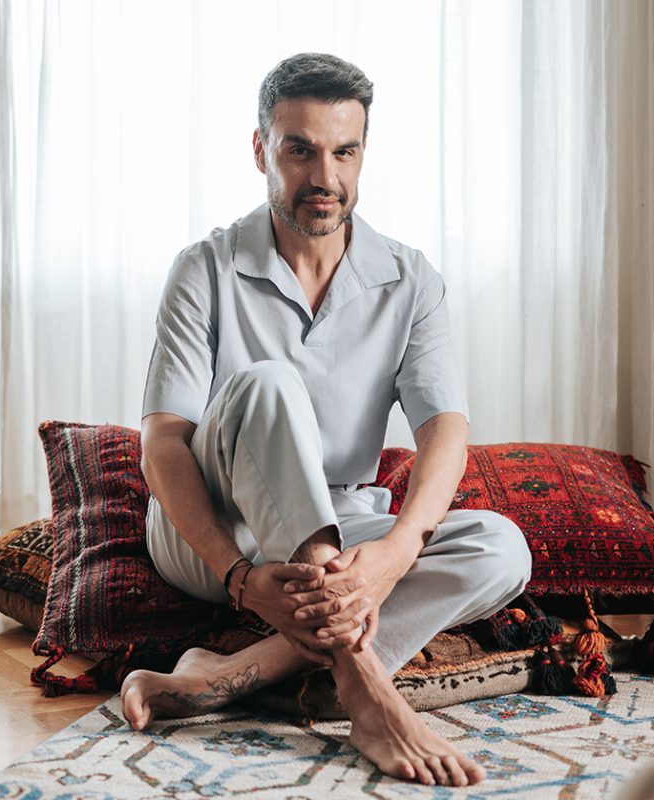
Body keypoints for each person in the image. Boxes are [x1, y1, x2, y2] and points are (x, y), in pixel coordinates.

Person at [122, 52, 532, 788]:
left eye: (344, 152)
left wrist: (397, 551)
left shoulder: (410, 279)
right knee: (268, 384)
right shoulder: (204, 268)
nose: (325, 176)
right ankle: (364, 687)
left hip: (342, 521)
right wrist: (239, 577)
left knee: (502, 548)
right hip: (212, 532)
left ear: (364, 152)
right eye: (300, 150)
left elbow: (444, 430)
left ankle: (235, 673)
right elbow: (162, 445)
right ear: (261, 151)